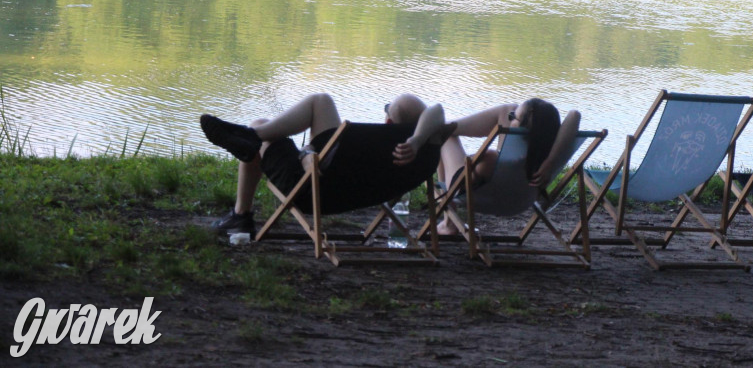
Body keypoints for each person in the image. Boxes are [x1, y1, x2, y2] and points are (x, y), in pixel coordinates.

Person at [201, 92, 453, 234]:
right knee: (313, 109)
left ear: (387, 122)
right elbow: (437, 110)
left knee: (269, 122)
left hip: (309, 190)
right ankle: (250, 137)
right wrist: (419, 139)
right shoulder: (423, 152)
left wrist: (306, 155)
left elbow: (313, 165)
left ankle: (241, 213)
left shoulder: (379, 147)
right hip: (354, 193)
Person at [434, 98, 581, 235]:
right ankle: (449, 126)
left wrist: (474, 159)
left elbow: (479, 166)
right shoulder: (548, 151)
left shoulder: (490, 160)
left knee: (445, 133)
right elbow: (574, 115)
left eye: (513, 118)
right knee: (508, 108)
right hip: (520, 200)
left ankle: (449, 221)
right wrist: (550, 162)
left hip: (481, 195)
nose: (510, 119)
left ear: (523, 128)